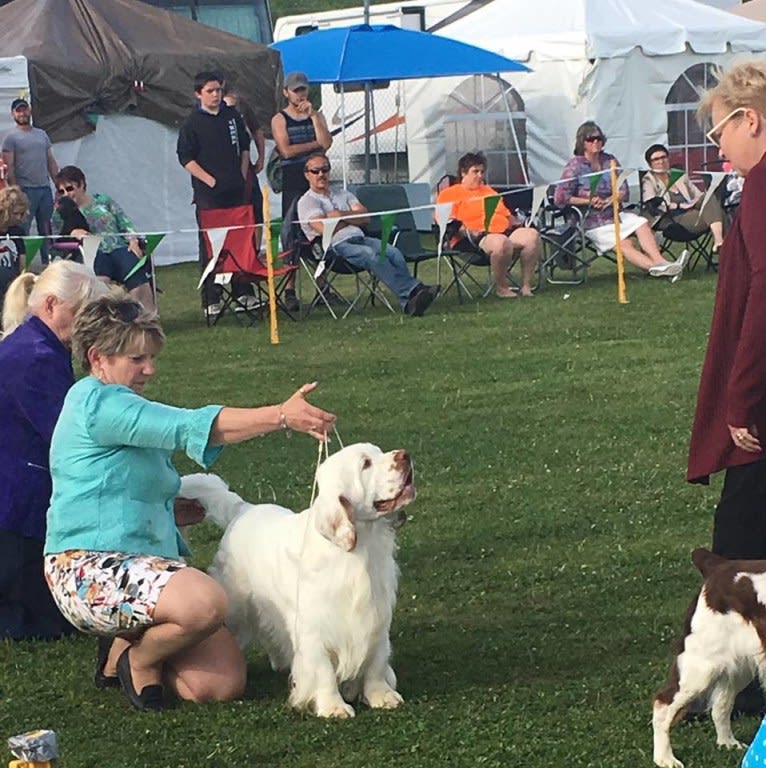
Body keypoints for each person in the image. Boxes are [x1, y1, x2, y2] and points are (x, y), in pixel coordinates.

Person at [43, 292, 336, 710]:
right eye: (137, 359)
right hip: (86, 567)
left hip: (145, 568)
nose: (150, 369)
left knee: (216, 686)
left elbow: (125, 481)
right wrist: (281, 415)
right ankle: (139, 659)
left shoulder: (119, 402)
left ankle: (125, 643)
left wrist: (168, 507)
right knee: (208, 602)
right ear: (97, 358)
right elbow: (187, 426)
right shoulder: (97, 403)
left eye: (151, 357)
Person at [688, 60, 766, 716]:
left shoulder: (764, 188)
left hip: (764, 396)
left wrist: (739, 399)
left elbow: (764, 296)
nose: (717, 148)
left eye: (719, 133)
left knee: (740, 532)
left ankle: (734, 677)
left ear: (752, 120)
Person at [0, 261, 107, 640]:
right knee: (49, 623)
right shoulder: (35, 358)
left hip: (19, 497)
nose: (85, 325)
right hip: (18, 510)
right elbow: (68, 436)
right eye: (80, 313)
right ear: (50, 305)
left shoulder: (36, 344)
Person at [297, 152, 440, 317]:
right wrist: (351, 217)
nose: (321, 174)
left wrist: (340, 215)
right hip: (333, 246)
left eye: (325, 169)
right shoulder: (307, 202)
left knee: (393, 253)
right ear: (307, 175)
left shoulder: (343, 194)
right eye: (316, 171)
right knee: (370, 255)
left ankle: (408, 303)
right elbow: (324, 228)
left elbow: (365, 217)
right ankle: (413, 290)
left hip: (361, 237)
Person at [554, 121, 688, 280]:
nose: (596, 142)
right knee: (623, 244)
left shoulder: (609, 161)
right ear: (582, 142)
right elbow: (561, 197)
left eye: (598, 138)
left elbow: (623, 189)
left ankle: (661, 262)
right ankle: (659, 268)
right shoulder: (574, 166)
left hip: (614, 213)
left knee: (641, 222)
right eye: (591, 139)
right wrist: (588, 201)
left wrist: (613, 198)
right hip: (590, 220)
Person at [177, 71, 257, 319]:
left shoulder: (231, 116)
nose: (215, 95)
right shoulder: (192, 123)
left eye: (218, 90)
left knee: (241, 240)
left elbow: (245, 145)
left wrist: (242, 172)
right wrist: (210, 180)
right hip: (209, 196)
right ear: (198, 94)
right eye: (210, 91)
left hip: (236, 191)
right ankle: (212, 297)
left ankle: (243, 291)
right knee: (212, 245)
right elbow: (185, 158)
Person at [436, 152, 542, 298]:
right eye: (475, 171)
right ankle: (502, 287)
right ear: (463, 172)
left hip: (504, 231)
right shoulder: (449, 194)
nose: (480, 176)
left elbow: (507, 215)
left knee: (531, 236)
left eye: (482, 172)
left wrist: (521, 223)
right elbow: (447, 222)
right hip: (473, 239)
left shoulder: (489, 191)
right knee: (501, 242)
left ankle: (526, 286)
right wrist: (469, 232)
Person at [51, 166, 155, 312]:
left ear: (82, 185)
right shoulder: (61, 212)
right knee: (99, 270)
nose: (66, 194)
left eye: (70, 188)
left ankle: (147, 319)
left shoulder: (103, 201)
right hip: (90, 252)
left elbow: (124, 222)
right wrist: (72, 234)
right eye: (61, 191)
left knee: (134, 270)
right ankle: (103, 322)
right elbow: (56, 239)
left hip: (118, 247)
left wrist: (133, 240)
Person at [271, 72, 333, 312]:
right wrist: (315, 145)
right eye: (296, 91)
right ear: (286, 92)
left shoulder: (316, 115)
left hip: (318, 177)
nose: (300, 95)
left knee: (321, 227)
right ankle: (289, 288)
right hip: (294, 178)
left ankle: (323, 285)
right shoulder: (280, 119)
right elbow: (286, 150)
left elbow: (326, 142)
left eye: (303, 90)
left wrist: (315, 118)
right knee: (291, 233)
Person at [1, 98, 58, 266]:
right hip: (25, 190)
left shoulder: (42, 134)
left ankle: (49, 265)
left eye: (24, 109)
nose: (22, 113)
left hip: (45, 189)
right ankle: (23, 267)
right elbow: (9, 166)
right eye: (18, 111)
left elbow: (50, 161)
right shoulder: (10, 138)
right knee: (23, 230)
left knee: (47, 229)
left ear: (30, 110)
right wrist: (15, 192)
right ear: (13, 114)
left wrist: (60, 185)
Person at [641, 143, 725, 251]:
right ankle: (723, 245)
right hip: (673, 219)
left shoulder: (678, 175)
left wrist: (693, 202)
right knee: (720, 214)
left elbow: (697, 194)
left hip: (692, 210)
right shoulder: (649, 180)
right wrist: (679, 205)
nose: (661, 162)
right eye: (656, 159)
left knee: (708, 197)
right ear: (650, 164)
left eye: (663, 157)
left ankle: (720, 243)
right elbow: (651, 203)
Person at [223, 88, 265, 253]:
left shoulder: (241, 111)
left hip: (246, 171)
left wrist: (261, 157)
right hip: (226, 173)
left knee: (256, 209)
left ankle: (255, 251)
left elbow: (256, 132)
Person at [0, 186, 28, 313]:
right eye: (15, 213)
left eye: (21, 214)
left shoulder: (18, 231)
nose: (19, 217)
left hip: (11, 281)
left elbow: (22, 260)